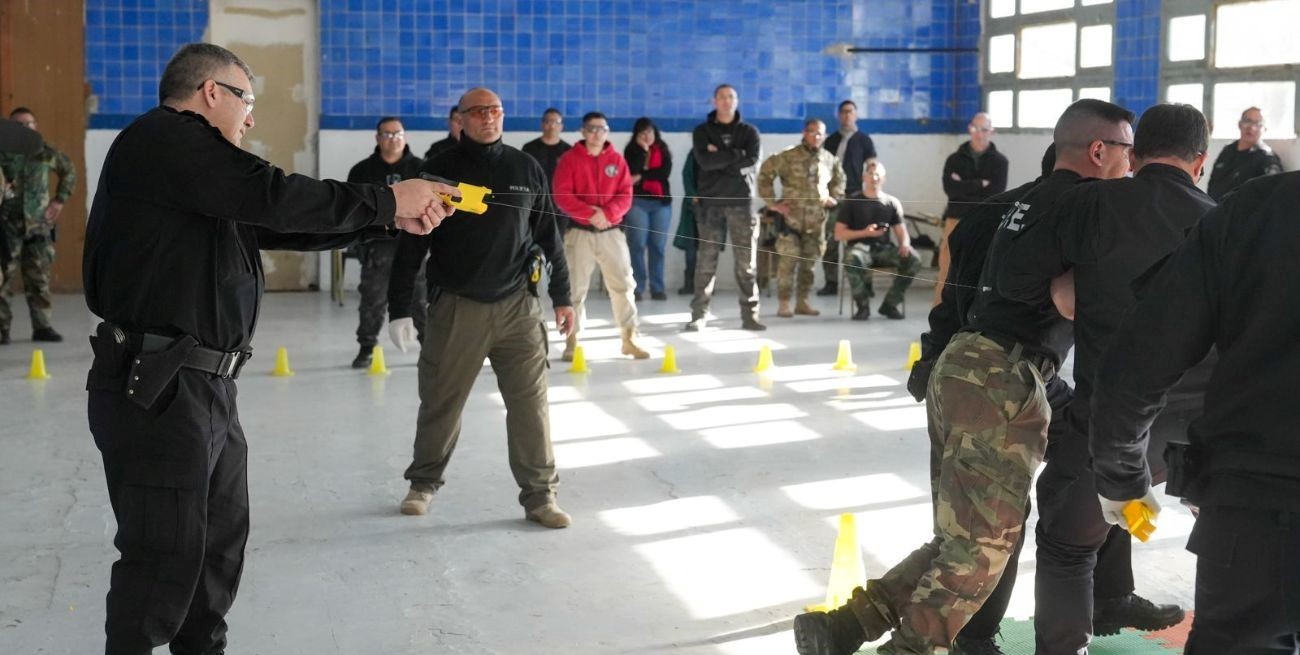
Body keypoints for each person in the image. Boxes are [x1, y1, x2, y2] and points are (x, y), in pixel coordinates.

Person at [83, 42, 454, 654]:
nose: (250, 118)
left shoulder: (194, 177)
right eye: (246, 100)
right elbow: (274, 195)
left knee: (217, 547)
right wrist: (389, 198)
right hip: (158, 386)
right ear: (211, 92)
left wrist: (386, 220)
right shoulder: (165, 139)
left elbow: (275, 221)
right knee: (162, 555)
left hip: (204, 387)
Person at [794, 99, 1135, 655]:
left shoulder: (1012, 204)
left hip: (963, 365)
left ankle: (846, 626)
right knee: (981, 548)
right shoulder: (1086, 204)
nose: (1131, 163)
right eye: (1127, 150)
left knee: (962, 539)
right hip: (1003, 378)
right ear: (1099, 151)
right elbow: (1068, 300)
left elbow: (959, 291)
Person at [999, 103, 1211, 654]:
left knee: (1067, 545)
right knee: (1218, 547)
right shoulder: (1221, 220)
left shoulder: (1095, 204)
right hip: (1193, 432)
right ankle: (1123, 591)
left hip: (1111, 423)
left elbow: (1020, 278)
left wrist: (1075, 295)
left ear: (1133, 157)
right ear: (1201, 162)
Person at [1091, 168, 1300, 653]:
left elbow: (1139, 360)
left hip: (1254, 508)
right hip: (1252, 496)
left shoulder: (1254, 211)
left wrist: (1122, 477)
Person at [387, 87, 576, 529]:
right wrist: (399, 308)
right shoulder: (437, 170)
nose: (488, 118)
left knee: (531, 405)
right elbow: (411, 245)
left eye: (495, 110)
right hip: (457, 307)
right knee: (441, 401)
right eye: (478, 112)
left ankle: (540, 497)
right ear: (461, 119)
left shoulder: (525, 167)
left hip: (518, 308)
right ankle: (422, 484)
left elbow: (549, 236)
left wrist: (563, 297)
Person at [552, 111, 649, 360]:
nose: (597, 133)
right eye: (592, 129)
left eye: (602, 129)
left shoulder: (617, 160)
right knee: (575, 288)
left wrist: (607, 214)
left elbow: (626, 195)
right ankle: (572, 341)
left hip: (611, 232)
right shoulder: (569, 160)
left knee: (623, 285)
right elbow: (562, 195)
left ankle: (629, 338)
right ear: (583, 131)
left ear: (608, 132)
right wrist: (589, 214)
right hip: (579, 233)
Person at [345, 116, 427, 368]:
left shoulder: (421, 170)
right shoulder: (362, 170)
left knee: (420, 299)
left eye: (397, 133)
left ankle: (429, 346)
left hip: (414, 245)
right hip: (377, 244)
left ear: (405, 136)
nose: (393, 139)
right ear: (378, 138)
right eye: (387, 134)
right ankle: (367, 346)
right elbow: (351, 209)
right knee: (372, 298)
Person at [686, 83, 764, 332]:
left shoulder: (750, 132)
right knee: (706, 262)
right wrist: (735, 155)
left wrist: (719, 154)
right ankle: (699, 314)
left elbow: (752, 162)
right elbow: (705, 163)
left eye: (731, 97)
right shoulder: (702, 131)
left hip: (741, 204)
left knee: (746, 264)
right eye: (722, 97)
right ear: (714, 101)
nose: (726, 101)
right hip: (710, 204)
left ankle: (750, 315)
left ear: (737, 101)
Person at [0, 107, 76, 344]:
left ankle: (42, 327)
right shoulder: (3, 153)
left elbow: (68, 170)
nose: (24, 128)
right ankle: (1, 329)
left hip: (38, 226)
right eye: (18, 125)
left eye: (29, 124)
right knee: (3, 279)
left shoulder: (44, 152)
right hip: (7, 225)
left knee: (39, 279)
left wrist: (59, 200)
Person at [757, 118, 844, 318]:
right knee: (787, 263)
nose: (817, 136)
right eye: (813, 132)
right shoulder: (788, 156)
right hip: (791, 221)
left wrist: (834, 197)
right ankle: (784, 303)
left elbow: (840, 179)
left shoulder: (829, 159)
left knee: (809, 265)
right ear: (805, 133)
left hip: (816, 222)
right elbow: (765, 174)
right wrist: (772, 204)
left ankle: (803, 302)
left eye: (821, 133)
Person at [934, 112, 1008, 305]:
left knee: (983, 271)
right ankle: (939, 316)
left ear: (991, 131)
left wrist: (964, 185)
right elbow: (951, 189)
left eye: (984, 129)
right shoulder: (954, 160)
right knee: (946, 269)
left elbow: (995, 193)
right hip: (955, 220)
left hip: (986, 224)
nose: (979, 134)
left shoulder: (1000, 162)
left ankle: (976, 315)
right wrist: (979, 184)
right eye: (975, 128)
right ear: (969, 129)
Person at [834, 160, 919, 321]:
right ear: (864, 177)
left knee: (913, 259)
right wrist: (865, 232)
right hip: (859, 249)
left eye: (878, 174)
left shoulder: (891, 202)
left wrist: (905, 244)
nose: (874, 178)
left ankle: (890, 304)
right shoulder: (852, 202)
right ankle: (862, 306)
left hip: (883, 249)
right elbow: (839, 234)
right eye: (871, 174)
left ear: (884, 178)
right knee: (851, 259)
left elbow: (901, 230)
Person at [818, 100, 877, 297]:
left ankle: (865, 284)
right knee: (830, 241)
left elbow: (872, 166)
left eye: (850, 112)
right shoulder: (830, 140)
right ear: (838, 115)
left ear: (856, 115)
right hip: (833, 198)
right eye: (843, 112)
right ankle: (831, 283)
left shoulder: (864, 140)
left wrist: (870, 192)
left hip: (856, 198)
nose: (847, 115)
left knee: (861, 241)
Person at [623, 117, 674, 302]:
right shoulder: (631, 151)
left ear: (655, 133)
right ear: (636, 135)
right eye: (642, 133)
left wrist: (642, 176)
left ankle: (657, 287)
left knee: (657, 246)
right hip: (638, 202)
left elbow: (664, 173)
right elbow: (631, 173)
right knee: (637, 245)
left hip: (661, 203)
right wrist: (644, 152)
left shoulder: (663, 149)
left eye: (649, 132)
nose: (647, 136)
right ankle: (637, 287)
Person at [1206, 106, 1284, 201]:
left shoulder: (1267, 158)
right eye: (1248, 121)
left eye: (1258, 123)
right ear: (1239, 124)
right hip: (1215, 206)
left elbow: (1272, 193)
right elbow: (1213, 182)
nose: (1251, 127)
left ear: (1265, 129)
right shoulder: (1228, 150)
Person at [672, 148, 703, 295]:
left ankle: (705, 283)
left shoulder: (719, 154)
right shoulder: (694, 154)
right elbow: (687, 176)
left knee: (708, 248)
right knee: (691, 246)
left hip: (712, 207)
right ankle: (689, 284)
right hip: (693, 206)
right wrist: (694, 197)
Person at [521, 107, 570, 187]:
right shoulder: (529, 148)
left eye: (556, 122)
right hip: (535, 191)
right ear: (542, 124)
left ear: (562, 126)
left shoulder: (568, 150)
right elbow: (523, 174)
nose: (552, 126)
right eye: (548, 121)